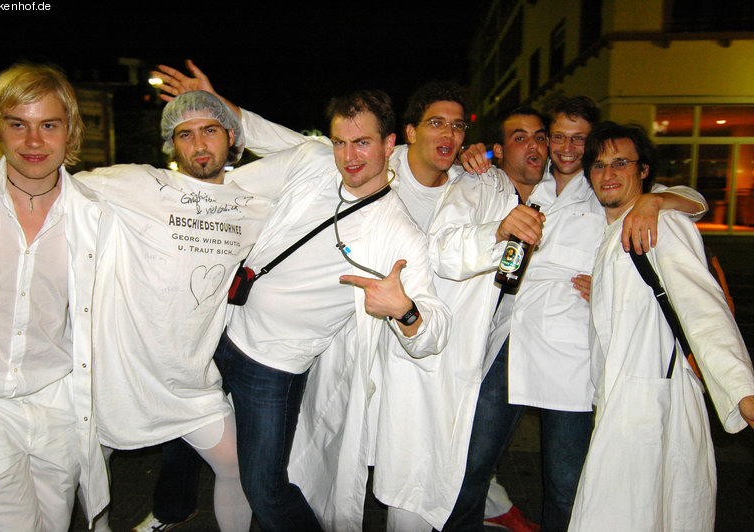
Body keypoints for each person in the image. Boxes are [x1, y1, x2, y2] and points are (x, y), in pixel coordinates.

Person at [151, 61, 538, 531]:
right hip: (226, 330)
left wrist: (406, 312)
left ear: (388, 144)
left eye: (362, 143)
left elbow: (433, 324)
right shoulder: (316, 161)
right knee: (195, 441)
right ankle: (170, 507)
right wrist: (216, 110)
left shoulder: (402, 231)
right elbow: (241, 173)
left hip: (275, 367)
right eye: (340, 142)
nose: (349, 156)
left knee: (266, 485)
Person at [433, 101, 707, 532]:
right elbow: (487, 172)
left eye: (579, 139)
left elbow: (695, 202)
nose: (565, 147)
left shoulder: (604, 187)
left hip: (573, 353)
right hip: (510, 342)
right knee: (470, 464)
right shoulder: (532, 183)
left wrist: (654, 201)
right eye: (556, 136)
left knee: (565, 483)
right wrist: (477, 152)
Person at [79, 90, 281, 532]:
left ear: (232, 136)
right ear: (172, 144)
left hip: (189, 378)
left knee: (235, 466)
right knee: (90, 468)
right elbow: (46, 184)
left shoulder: (256, 208)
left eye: (210, 130)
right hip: (115, 372)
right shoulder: (137, 183)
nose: (199, 144)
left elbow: (317, 160)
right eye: (185, 135)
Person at [570, 121, 754, 531]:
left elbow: (704, 310)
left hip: (657, 405)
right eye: (598, 165)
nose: (608, 173)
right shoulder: (616, 231)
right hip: (625, 405)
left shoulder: (661, 224)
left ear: (643, 170)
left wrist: (743, 390)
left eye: (621, 163)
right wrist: (606, 293)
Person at [0, 63, 109, 531]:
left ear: (70, 130)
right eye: (18, 124)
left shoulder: (95, 212)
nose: (34, 141)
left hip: (59, 400)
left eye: (49, 125)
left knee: (56, 520)